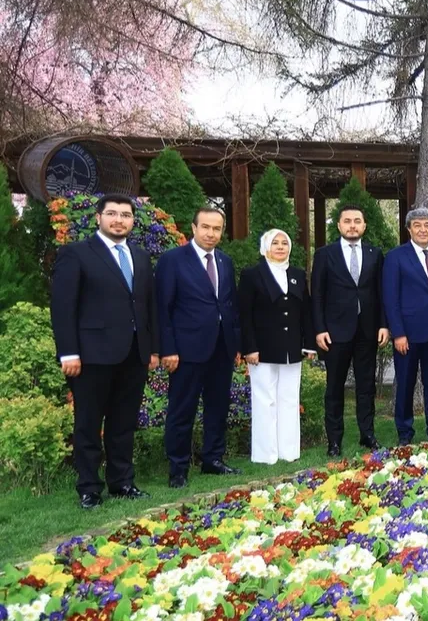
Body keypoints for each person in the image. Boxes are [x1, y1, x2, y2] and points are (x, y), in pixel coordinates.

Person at [50, 194, 158, 508]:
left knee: (123, 423)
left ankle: (122, 482)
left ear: (132, 221)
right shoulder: (77, 254)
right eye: (112, 213)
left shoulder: (139, 256)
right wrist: (68, 352)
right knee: (88, 423)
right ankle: (89, 488)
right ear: (99, 218)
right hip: (91, 355)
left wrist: (151, 350)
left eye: (125, 215)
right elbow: (63, 306)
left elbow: (147, 306)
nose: (119, 220)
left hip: (133, 354)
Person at [156, 208, 241, 488]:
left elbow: (229, 305)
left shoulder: (225, 261)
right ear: (193, 228)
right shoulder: (173, 260)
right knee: (182, 409)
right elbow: (163, 308)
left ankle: (212, 459)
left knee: (218, 407)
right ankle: (178, 468)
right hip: (186, 350)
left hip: (221, 347)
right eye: (205, 227)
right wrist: (168, 349)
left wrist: (236, 344)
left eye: (216, 229)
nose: (211, 233)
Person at [311, 204, 387, 457]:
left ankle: (368, 434)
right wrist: (319, 329)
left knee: (366, 386)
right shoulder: (324, 254)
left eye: (357, 221)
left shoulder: (375, 254)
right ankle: (334, 441)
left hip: (367, 331)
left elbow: (381, 293)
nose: (352, 225)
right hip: (335, 332)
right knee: (334, 388)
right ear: (339, 225)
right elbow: (317, 295)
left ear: (364, 225)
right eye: (347, 221)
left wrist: (384, 324)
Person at [238, 229, 316, 465]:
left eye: (284, 243)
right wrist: (249, 347)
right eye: (275, 243)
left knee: (290, 399)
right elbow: (245, 314)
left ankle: (289, 451)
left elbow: (306, 311)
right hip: (262, 349)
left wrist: (309, 344)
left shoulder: (298, 274)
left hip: (292, 348)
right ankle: (265, 454)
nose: (280, 247)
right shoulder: (252, 275)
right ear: (265, 247)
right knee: (265, 400)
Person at [382, 207, 428, 445]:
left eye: (427, 225)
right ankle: (405, 433)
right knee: (406, 384)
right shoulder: (395, 257)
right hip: (408, 335)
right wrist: (398, 333)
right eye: (418, 225)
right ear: (409, 229)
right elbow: (390, 298)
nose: (423, 229)